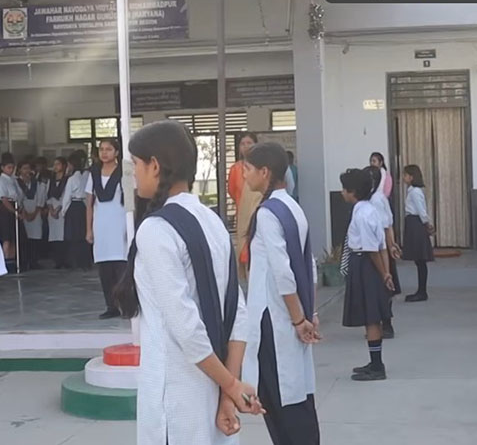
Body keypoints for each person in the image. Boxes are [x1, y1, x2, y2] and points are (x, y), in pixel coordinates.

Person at [112, 120, 262, 445]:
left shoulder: (156, 230)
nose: (134, 174)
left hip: (176, 401)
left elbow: (185, 327)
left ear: (154, 166)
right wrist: (228, 390)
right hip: (214, 391)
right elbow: (237, 314)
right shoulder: (213, 222)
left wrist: (231, 387)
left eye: (136, 164)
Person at [241, 143, 321, 445]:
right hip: (290, 315)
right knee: (296, 396)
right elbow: (309, 265)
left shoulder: (267, 214)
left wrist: (299, 320)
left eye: (248, 169)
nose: (244, 174)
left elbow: (283, 273)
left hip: (275, 319)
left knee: (281, 402)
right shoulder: (292, 207)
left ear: (265, 172)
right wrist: (309, 312)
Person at [340, 168, 395, 381]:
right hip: (371, 263)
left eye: (344, 189)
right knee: (370, 317)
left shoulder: (362, 214)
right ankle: (374, 361)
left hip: (365, 263)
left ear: (353, 192)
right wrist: (386, 272)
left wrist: (383, 273)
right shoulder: (370, 210)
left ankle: (377, 366)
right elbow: (382, 246)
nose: (342, 192)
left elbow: (372, 248)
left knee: (371, 317)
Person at [86, 139, 128, 319]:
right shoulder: (94, 174)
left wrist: (130, 226)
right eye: (102, 149)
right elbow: (89, 204)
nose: (104, 153)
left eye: (109, 149)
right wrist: (89, 229)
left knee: (121, 268)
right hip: (101, 226)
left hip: (119, 224)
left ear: (116, 152)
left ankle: (126, 306)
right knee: (105, 269)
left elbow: (131, 201)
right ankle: (111, 306)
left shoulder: (124, 172)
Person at [366, 165, 401, 338]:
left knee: (383, 286)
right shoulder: (377, 197)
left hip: (380, 249)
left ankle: (386, 324)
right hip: (382, 248)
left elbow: (386, 226)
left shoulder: (376, 200)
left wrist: (391, 246)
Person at [228, 132, 261, 283]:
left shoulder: (262, 168)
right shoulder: (235, 169)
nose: (246, 146)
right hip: (243, 215)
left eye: (249, 143)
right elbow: (232, 191)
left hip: (259, 213)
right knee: (245, 250)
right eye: (243, 144)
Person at [401, 164, 434, 302]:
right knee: (418, 260)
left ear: (412, 177)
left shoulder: (415, 192)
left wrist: (427, 223)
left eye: (405, 175)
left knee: (420, 259)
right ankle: (421, 290)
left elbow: (421, 210)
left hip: (416, 223)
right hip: (412, 222)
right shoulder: (411, 191)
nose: (403, 177)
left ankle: (422, 291)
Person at [62, 151, 92, 271]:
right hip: (83, 206)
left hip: (74, 206)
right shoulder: (86, 176)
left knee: (74, 236)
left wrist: (64, 210)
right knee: (83, 234)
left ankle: (76, 262)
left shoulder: (72, 179)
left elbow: (67, 196)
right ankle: (86, 261)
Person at [16, 160, 46, 270]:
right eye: (24, 168)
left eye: (28, 168)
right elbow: (17, 198)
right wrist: (24, 212)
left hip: (35, 212)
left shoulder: (36, 183)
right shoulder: (17, 182)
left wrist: (35, 212)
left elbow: (41, 197)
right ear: (19, 170)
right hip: (23, 213)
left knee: (35, 237)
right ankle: (24, 262)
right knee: (24, 239)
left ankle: (34, 261)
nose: (27, 171)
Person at [46, 157, 69, 269]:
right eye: (54, 164)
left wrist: (58, 209)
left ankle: (65, 259)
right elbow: (48, 196)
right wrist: (51, 209)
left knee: (62, 235)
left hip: (62, 210)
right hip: (52, 211)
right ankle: (57, 260)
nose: (55, 167)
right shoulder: (51, 180)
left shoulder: (67, 180)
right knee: (54, 235)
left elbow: (66, 196)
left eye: (58, 164)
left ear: (64, 166)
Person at [0, 153, 19, 269]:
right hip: (5, 210)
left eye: (12, 167)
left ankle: (12, 261)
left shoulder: (13, 180)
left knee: (13, 237)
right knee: (6, 237)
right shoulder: (1, 180)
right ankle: (5, 262)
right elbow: (4, 199)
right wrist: (14, 211)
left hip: (14, 205)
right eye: (8, 167)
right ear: (2, 167)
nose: (11, 170)